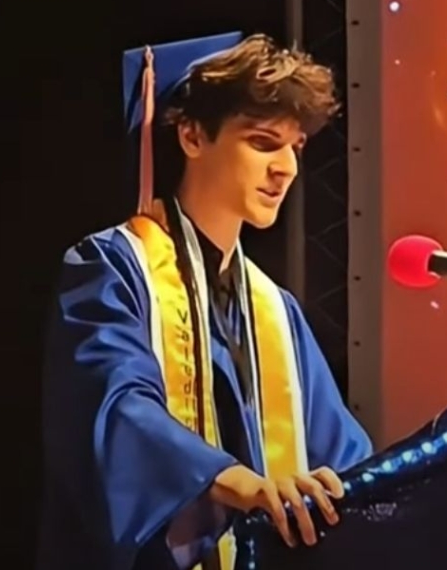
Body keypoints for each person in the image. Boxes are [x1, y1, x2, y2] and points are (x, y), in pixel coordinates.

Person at [37, 32, 375, 570]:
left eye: (296, 146)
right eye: (264, 142)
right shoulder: (113, 267)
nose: (286, 166)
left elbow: (343, 459)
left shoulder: (275, 311)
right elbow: (114, 407)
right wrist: (236, 482)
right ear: (192, 136)